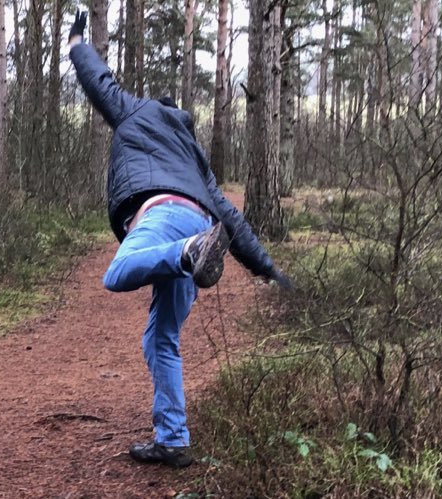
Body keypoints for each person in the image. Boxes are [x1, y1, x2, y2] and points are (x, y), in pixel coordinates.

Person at [64, 10, 292, 468]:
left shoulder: (134, 111)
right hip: (201, 221)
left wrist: (75, 43)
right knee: (161, 337)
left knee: (117, 272)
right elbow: (230, 215)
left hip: (162, 217)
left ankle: (186, 255)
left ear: (154, 106)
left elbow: (98, 79)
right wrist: (268, 269)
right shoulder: (194, 153)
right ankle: (172, 439)